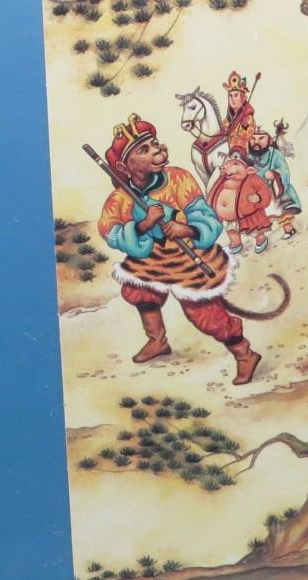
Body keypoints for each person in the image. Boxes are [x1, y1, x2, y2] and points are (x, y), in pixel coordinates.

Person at [96, 113, 261, 385]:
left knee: (204, 314)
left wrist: (187, 229)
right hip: (151, 258)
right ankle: (157, 340)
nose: (157, 150)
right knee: (140, 291)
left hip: (188, 257)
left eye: (155, 144)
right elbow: (110, 231)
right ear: (126, 166)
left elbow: (205, 216)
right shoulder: (120, 198)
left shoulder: (178, 179)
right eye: (144, 150)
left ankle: (245, 353)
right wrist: (142, 226)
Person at [206, 149, 274, 254]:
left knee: (255, 230)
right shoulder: (224, 179)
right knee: (231, 230)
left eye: (235, 164)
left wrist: (259, 198)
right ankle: (236, 243)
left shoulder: (253, 179)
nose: (227, 166)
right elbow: (214, 191)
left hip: (247, 214)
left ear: (249, 170)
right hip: (228, 218)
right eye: (229, 162)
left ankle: (260, 240)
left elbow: (265, 192)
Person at [248, 126, 302, 239]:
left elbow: (284, 171)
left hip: (276, 189)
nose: (256, 142)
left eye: (261, 138)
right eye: (253, 139)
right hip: (260, 191)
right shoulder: (249, 157)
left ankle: (288, 229)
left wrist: (274, 174)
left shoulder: (276, 154)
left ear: (270, 141)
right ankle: (262, 236)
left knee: (280, 209)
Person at [222, 70, 257, 154]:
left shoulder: (248, 118)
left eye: (236, 95)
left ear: (243, 97)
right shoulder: (227, 119)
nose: (232, 99)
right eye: (230, 96)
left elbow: (247, 135)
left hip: (242, 153)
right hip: (227, 152)